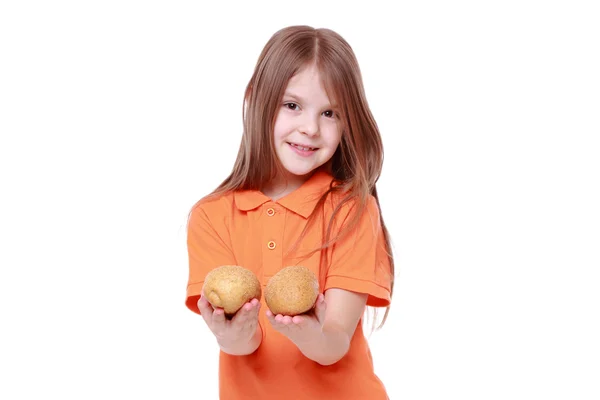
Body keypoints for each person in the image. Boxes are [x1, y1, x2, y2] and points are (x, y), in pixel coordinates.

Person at [185, 25, 395, 399]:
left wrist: (308, 332)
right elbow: (241, 347)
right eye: (292, 105)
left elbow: (334, 344)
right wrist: (230, 333)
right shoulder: (211, 217)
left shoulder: (351, 210)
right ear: (255, 99)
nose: (310, 128)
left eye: (330, 112)